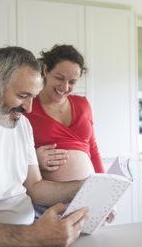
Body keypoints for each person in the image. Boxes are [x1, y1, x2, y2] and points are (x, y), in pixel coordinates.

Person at [0, 46, 89, 247]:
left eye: (33, 96)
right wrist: (34, 236)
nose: (29, 108)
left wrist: (85, 187)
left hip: (28, 239)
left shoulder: (21, 124)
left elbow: (36, 188)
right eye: (23, 95)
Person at [26, 44, 105, 183]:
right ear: (45, 70)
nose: (65, 87)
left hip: (89, 193)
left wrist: (105, 185)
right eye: (59, 78)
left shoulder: (83, 105)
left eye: (72, 81)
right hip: (50, 200)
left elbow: (93, 149)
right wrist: (34, 159)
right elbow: (11, 155)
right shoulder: (28, 107)